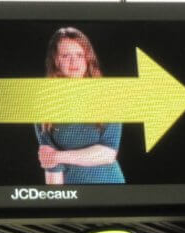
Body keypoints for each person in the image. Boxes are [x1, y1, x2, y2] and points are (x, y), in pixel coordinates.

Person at [35, 27, 125, 184]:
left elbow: (108, 153)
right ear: (56, 60)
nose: (73, 61)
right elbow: (51, 164)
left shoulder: (108, 97)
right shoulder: (44, 105)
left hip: (110, 189)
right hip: (72, 195)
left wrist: (58, 156)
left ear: (87, 58)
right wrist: (56, 203)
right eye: (66, 56)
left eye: (79, 55)